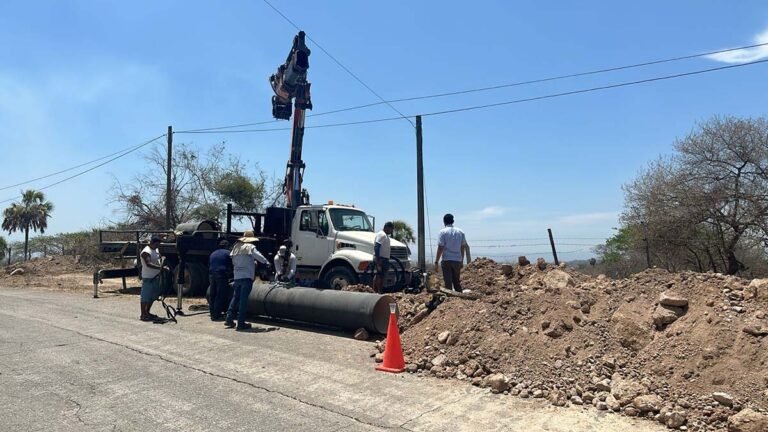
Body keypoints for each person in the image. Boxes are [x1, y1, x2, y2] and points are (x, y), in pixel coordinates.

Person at [225, 230, 269, 331]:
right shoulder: (250, 247)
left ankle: (229, 318)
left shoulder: (235, 248)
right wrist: (266, 262)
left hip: (237, 276)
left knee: (235, 298)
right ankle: (241, 323)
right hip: (246, 276)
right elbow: (259, 257)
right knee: (243, 301)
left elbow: (235, 261)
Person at [434, 213, 468, 292]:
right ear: (453, 221)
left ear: (444, 222)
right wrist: (462, 260)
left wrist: (436, 261)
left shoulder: (442, 232)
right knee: (456, 282)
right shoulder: (460, 232)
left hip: (447, 260)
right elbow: (462, 247)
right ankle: (460, 299)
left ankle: (450, 301)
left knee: (448, 283)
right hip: (457, 260)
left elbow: (440, 248)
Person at [139, 235, 165, 322]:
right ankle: (143, 314)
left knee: (152, 297)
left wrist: (162, 260)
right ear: (152, 243)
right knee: (145, 296)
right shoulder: (146, 252)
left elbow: (159, 256)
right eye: (157, 244)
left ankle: (147, 312)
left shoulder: (156, 249)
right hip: (148, 277)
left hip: (156, 277)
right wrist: (160, 268)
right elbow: (148, 264)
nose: (158, 246)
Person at [208, 239, 232, 321]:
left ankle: (212, 314)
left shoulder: (213, 253)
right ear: (226, 246)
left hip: (211, 275)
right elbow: (232, 264)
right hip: (221, 275)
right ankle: (217, 315)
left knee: (212, 295)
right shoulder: (228, 253)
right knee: (220, 295)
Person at [373, 221, 394, 293]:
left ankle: (378, 291)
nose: (391, 231)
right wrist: (378, 259)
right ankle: (377, 291)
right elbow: (377, 246)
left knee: (382, 275)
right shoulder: (382, 235)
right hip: (381, 259)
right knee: (379, 275)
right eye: (391, 229)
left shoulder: (385, 235)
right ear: (387, 228)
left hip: (383, 259)